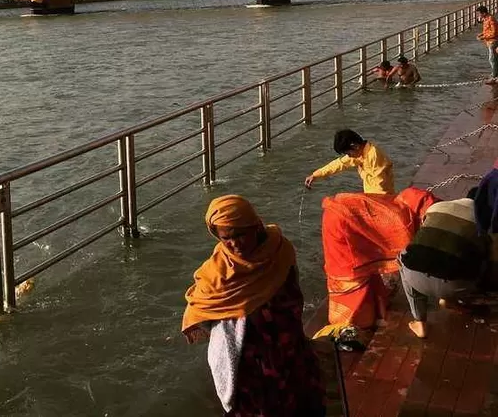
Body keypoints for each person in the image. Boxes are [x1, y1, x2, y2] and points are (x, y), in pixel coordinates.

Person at [182, 195, 325, 417]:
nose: (234, 243)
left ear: (255, 226)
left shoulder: (279, 250)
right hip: (250, 367)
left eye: (240, 234)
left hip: (287, 348)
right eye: (226, 238)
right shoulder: (217, 270)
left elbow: (293, 295)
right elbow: (200, 304)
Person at [314, 186, 437, 337]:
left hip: (340, 212)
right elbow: (403, 251)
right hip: (340, 224)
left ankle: (365, 312)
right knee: (352, 272)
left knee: (362, 263)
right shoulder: (403, 220)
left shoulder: (397, 205)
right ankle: (356, 320)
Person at [399, 188, 489, 338]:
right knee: (477, 257)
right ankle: (450, 299)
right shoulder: (483, 219)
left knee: (405, 256)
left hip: (416, 279)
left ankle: (420, 322)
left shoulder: (437, 207)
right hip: (458, 287)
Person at [304, 129, 395, 194]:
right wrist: (315, 175)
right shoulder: (359, 153)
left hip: (382, 198)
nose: (348, 156)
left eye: (348, 153)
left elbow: (380, 182)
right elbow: (339, 164)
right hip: (372, 196)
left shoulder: (373, 155)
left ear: (354, 146)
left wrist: (372, 202)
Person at [476, 5, 498, 84]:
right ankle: (494, 74)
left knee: (492, 59)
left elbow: (494, 32)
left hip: (493, 42)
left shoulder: (490, 19)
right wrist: (482, 34)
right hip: (489, 42)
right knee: (493, 59)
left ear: (484, 13)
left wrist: (483, 37)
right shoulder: (486, 19)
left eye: (479, 13)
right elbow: (488, 30)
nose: (478, 15)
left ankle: (494, 76)